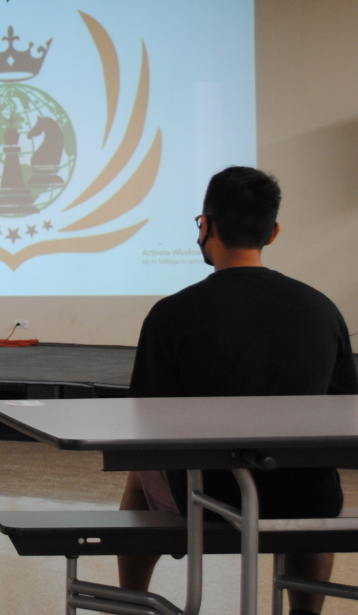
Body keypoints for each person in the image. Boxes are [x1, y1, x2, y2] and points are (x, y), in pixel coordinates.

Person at [118, 166, 357, 615]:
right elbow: (346, 409)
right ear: (274, 231)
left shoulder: (172, 314)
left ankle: (133, 604)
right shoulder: (322, 310)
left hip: (208, 500)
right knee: (316, 484)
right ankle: (306, 611)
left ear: (206, 225)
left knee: (140, 477)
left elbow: (144, 427)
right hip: (303, 496)